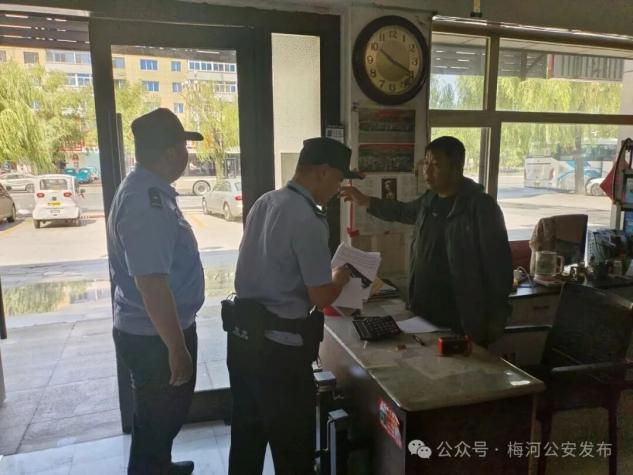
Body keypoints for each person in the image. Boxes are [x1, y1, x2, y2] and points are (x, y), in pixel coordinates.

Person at [226, 137, 358, 474]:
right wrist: (340, 278)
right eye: (338, 179)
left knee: (246, 440)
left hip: (243, 342)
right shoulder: (308, 218)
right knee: (293, 450)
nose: (337, 189)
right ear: (322, 172)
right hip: (280, 355)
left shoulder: (266, 201)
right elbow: (320, 297)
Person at [341, 136, 512, 346]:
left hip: (461, 318)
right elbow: (403, 211)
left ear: (457, 167)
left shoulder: (481, 207)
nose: (427, 171)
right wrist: (365, 201)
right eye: (426, 163)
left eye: (436, 165)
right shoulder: (430, 199)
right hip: (424, 310)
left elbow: (499, 269)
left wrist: (492, 321)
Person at [107, 108, 205, 475]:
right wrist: (176, 348)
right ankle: (152, 467)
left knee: (158, 418)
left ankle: (160, 465)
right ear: (170, 153)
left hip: (154, 332)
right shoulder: (146, 201)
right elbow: (150, 283)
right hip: (155, 338)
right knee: (157, 421)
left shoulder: (149, 190)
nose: (186, 155)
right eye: (184, 147)